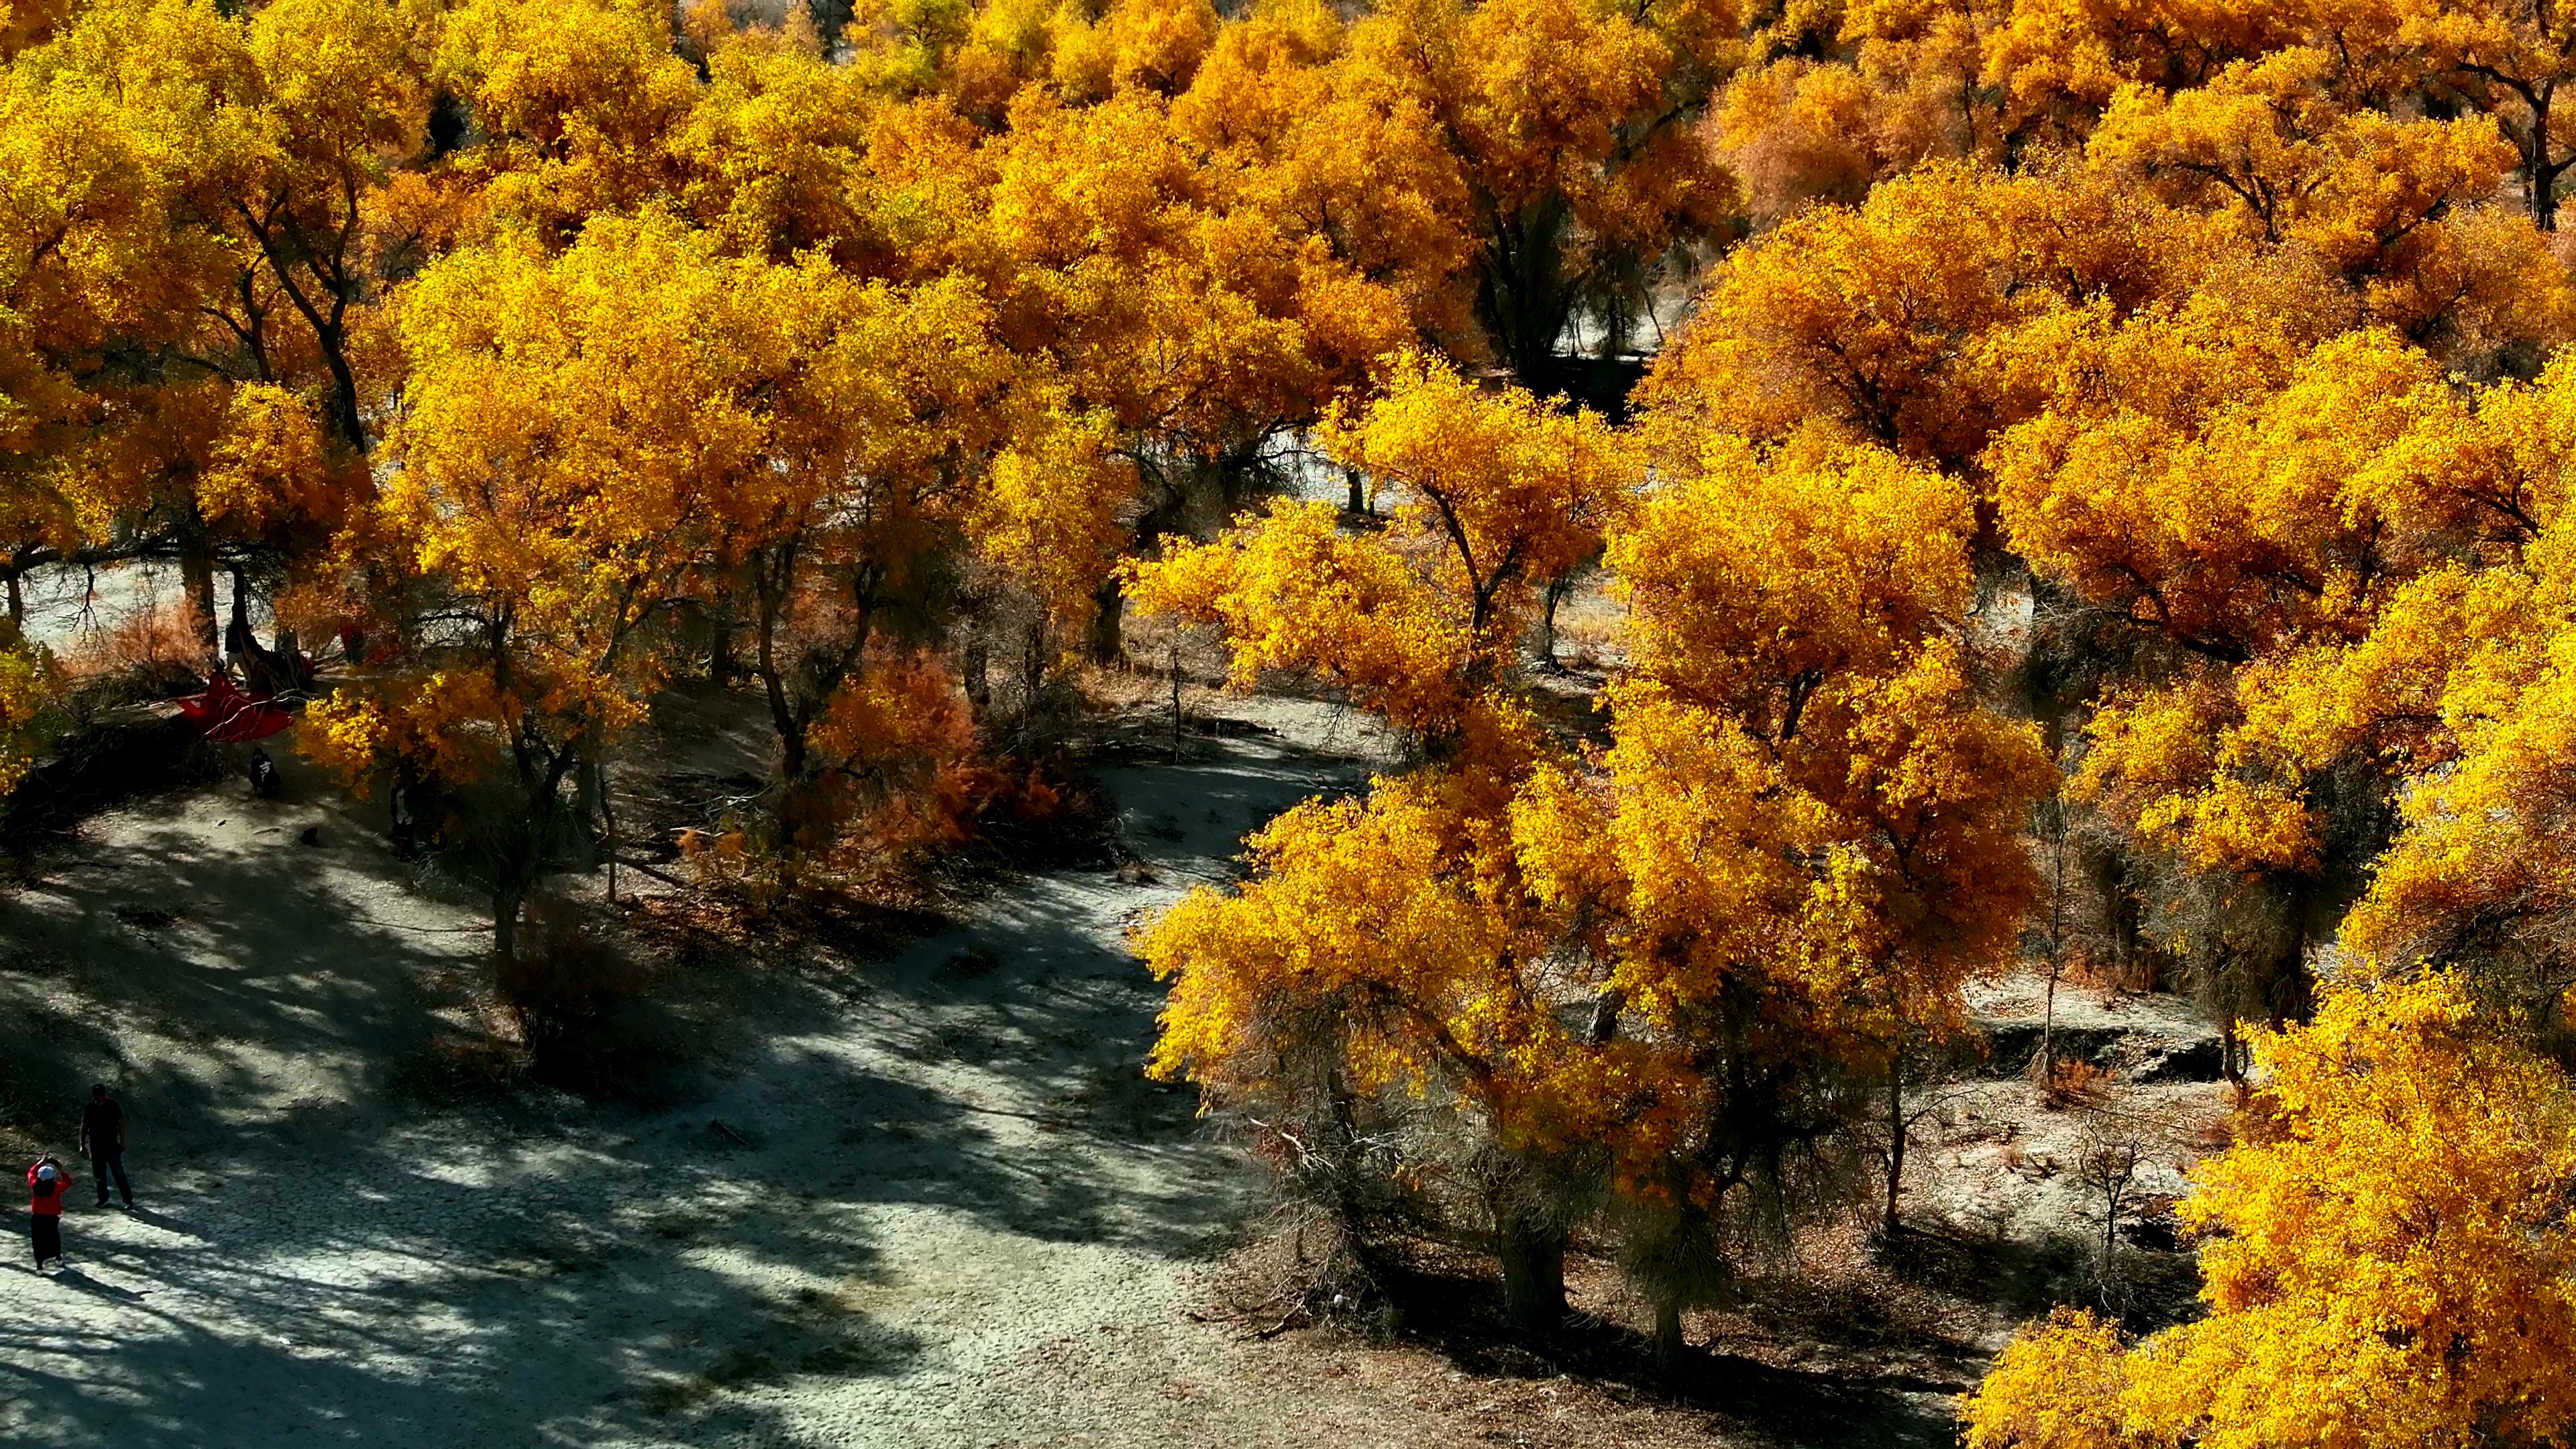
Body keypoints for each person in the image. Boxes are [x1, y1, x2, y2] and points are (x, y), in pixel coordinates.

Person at [79, 1084, 131, 1210]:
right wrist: (82, 1144)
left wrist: (123, 1141)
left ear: (104, 1094)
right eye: (98, 1096)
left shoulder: (113, 1105)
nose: (100, 1098)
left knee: (118, 1172)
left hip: (111, 1144)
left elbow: (121, 1123)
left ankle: (128, 1199)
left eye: (101, 1095)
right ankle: (103, 1198)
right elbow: (84, 1126)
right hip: (96, 1145)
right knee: (99, 1174)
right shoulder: (90, 1108)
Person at [27, 1155, 72, 1271]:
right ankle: (58, 1258)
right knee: (53, 1238)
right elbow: (68, 1182)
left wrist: (40, 1163)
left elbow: (31, 1173)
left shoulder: (35, 1185)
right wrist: (61, 1169)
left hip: (37, 1217)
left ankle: (39, 1266)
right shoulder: (56, 1187)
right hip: (52, 1218)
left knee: (37, 1240)